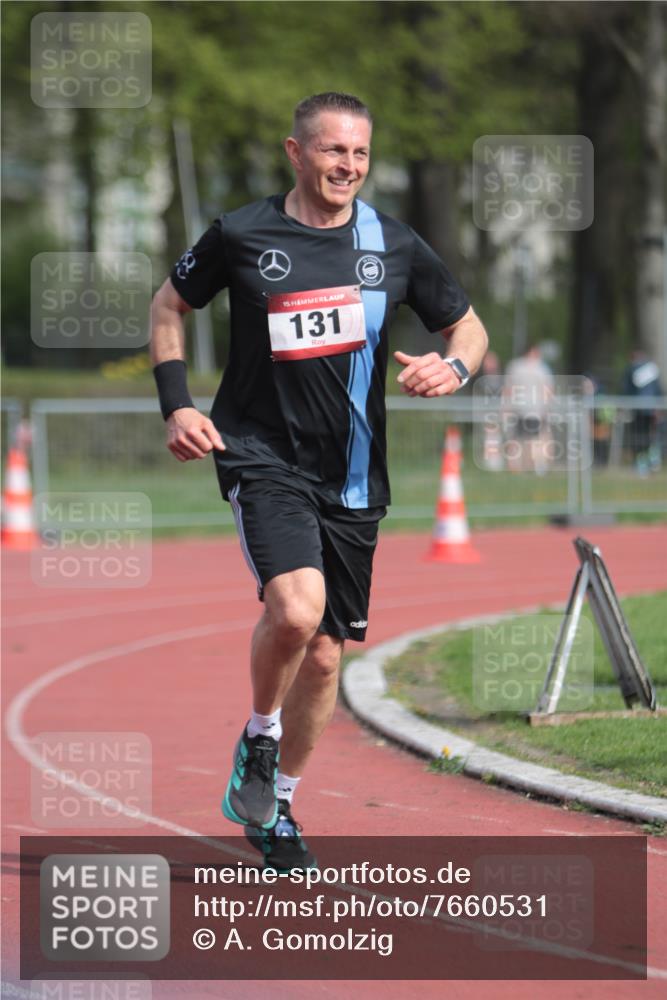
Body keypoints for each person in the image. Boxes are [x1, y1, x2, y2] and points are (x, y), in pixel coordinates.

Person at [150, 92, 488, 871]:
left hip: (355, 475)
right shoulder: (241, 233)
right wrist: (176, 407)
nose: (349, 167)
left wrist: (455, 364)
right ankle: (259, 740)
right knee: (295, 612)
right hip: (261, 454)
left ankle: (279, 807)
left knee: (329, 658)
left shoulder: (391, 243)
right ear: (295, 153)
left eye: (361, 154)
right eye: (334, 151)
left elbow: (466, 327)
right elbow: (169, 305)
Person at [502, 343, 554, 475]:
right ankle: (537, 466)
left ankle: (515, 466)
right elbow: (548, 390)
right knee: (535, 439)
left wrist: (505, 407)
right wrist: (547, 408)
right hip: (534, 409)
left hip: (518, 407)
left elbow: (508, 389)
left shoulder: (515, 366)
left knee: (515, 439)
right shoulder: (542, 368)